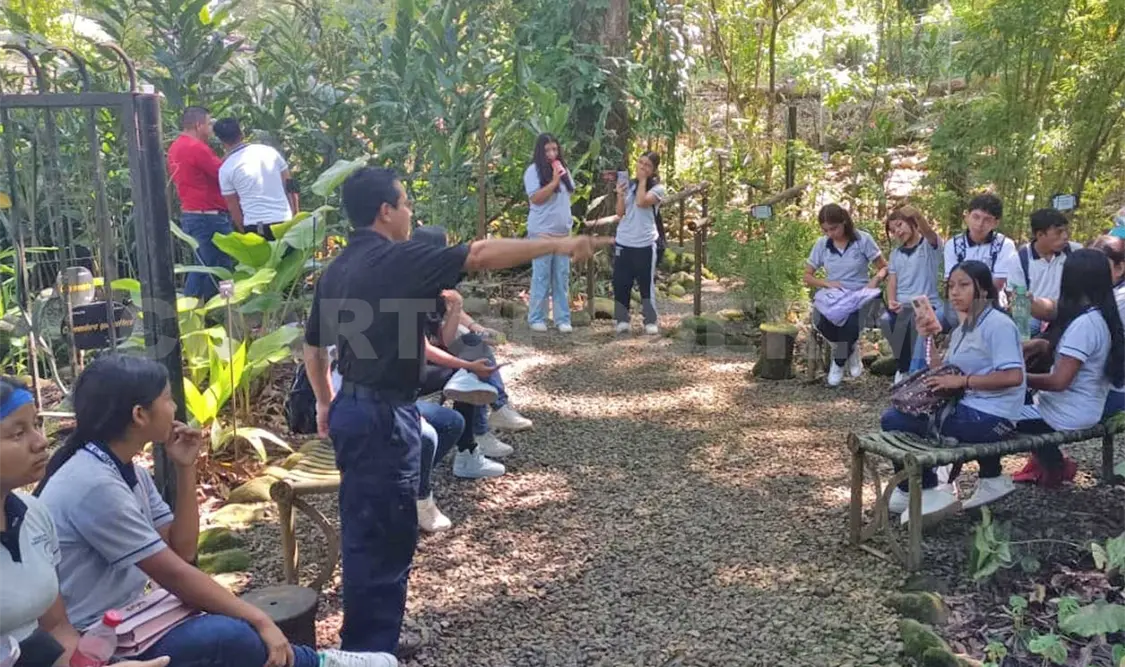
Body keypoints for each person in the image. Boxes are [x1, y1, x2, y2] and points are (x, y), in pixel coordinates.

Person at [301, 166, 609, 656]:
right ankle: (372, 650)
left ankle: (366, 642)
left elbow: (314, 348)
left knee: (363, 529)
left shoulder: (337, 269)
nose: (410, 213)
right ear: (385, 211)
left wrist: (324, 401)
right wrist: (557, 244)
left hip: (354, 411)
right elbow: (481, 254)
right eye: (405, 203)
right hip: (384, 418)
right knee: (389, 535)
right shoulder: (399, 258)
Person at [36, 356, 397, 667]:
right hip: (94, 642)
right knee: (228, 636)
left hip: (130, 621)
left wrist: (185, 468)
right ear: (139, 415)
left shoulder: (125, 470)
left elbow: (183, 549)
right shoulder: (94, 484)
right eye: (167, 399)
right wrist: (260, 619)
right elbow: (174, 573)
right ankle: (319, 662)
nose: (175, 408)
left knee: (227, 626)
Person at [0, 376, 171, 667]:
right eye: (18, 434)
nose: (41, 441)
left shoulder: (34, 515)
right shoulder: (92, 482)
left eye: (36, 425)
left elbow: (57, 628)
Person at [881, 260, 1027, 520]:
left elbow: (1014, 376)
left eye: (963, 285)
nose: (955, 292)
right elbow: (943, 371)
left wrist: (964, 382)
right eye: (951, 287)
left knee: (894, 420)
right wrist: (927, 337)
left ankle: (926, 489)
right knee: (895, 416)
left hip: (993, 416)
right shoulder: (964, 328)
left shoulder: (998, 325)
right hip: (970, 408)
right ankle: (916, 489)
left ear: (983, 289)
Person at [1014, 249, 1125, 486]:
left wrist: (1018, 377)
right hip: (1083, 408)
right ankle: (1053, 464)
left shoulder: (1085, 325)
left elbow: (1059, 382)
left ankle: (994, 477)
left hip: (1065, 415)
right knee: (1012, 400)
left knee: (995, 418)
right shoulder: (1102, 316)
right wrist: (1044, 346)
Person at [413, 225, 534, 434]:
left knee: (473, 345)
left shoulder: (436, 284)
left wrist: (475, 326)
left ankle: (489, 422)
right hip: (408, 371)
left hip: (427, 357)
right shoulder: (409, 289)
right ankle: (478, 433)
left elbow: (445, 334)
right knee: (470, 374)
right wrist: (466, 364)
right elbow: (426, 348)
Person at [803, 203, 888, 386]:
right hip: (835, 296)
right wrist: (826, 283)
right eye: (826, 230)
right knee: (820, 320)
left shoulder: (863, 240)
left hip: (860, 295)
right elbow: (807, 276)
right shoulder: (822, 244)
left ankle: (839, 362)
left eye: (834, 228)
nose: (830, 234)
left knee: (851, 323)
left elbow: (884, 267)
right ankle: (850, 349)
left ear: (844, 222)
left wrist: (876, 279)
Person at [168, 106, 234, 301]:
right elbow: (222, 173)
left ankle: (210, 306)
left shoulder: (175, 147)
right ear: (199, 125)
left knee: (206, 264)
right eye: (208, 123)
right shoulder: (197, 148)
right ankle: (223, 304)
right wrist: (233, 153)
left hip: (193, 214)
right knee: (218, 264)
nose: (211, 128)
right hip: (209, 216)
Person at [880, 205, 942, 384]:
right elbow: (893, 281)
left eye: (900, 225)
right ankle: (903, 368)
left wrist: (918, 215)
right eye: (893, 231)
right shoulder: (895, 254)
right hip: (901, 304)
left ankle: (915, 372)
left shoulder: (929, 246)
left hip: (925, 303)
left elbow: (930, 234)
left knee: (915, 322)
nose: (898, 232)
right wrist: (891, 301)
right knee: (886, 320)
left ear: (912, 222)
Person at [214, 118, 299, 240]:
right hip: (284, 220)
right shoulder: (269, 152)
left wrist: (243, 230)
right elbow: (290, 184)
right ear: (242, 133)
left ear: (221, 141)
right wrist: (296, 214)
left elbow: (233, 207)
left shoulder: (226, 169)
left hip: (256, 225)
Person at [1000, 208, 1082, 336]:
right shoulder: (1020, 259)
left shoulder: (1075, 252)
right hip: (1034, 315)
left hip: (1068, 312)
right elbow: (1018, 301)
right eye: (1059, 232)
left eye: (1066, 231)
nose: (1065, 237)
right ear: (1040, 235)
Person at [524, 133, 575, 333]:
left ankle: (562, 319)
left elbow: (569, 194)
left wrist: (560, 177)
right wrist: (553, 183)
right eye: (547, 150)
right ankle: (537, 317)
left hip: (563, 235)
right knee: (541, 276)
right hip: (542, 233)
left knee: (561, 277)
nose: (552, 154)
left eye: (554, 149)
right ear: (540, 152)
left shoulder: (563, 169)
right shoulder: (533, 171)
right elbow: (535, 198)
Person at [613, 152, 667, 335]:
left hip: (645, 243)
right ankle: (622, 319)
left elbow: (642, 202)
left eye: (647, 165)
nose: (642, 167)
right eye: (640, 163)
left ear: (653, 170)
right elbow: (620, 213)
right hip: (624, 240)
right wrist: (620, 195)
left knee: (646, 284)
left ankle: (650, 320)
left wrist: (643, 181)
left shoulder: (658, 189)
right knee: (621, 282)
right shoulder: (629, 185)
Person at [942, 194, 1016, 299]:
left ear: (995, 223)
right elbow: (951, 281)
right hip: (959, 301)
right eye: (976, 217)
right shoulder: (953, 245)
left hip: (992, 302)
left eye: (987, 220)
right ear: (967, 217)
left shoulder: (1005, 245)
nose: (980, 224)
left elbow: (998, 283)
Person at [1094, 235, 1125, 417]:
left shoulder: (1120, 300)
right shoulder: (1111, 293)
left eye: (1099, 265)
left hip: (1115, 392)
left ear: (1120, 268)